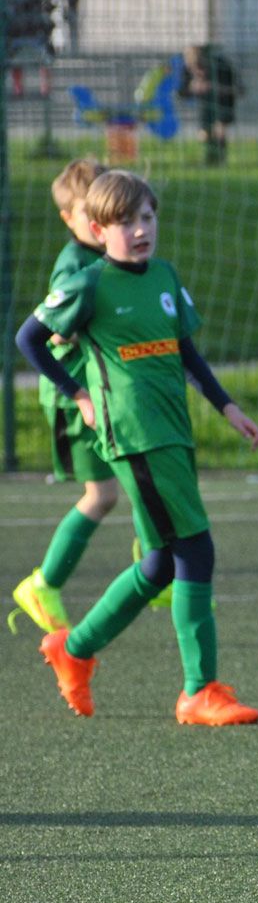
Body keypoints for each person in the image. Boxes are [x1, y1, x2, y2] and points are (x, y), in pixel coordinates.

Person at [14, 170, 258, 724]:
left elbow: (187, 354)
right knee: (195, 550)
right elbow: (29, 339)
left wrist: (228, 407)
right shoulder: (89, 283)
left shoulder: (166, 277)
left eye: (147, 217)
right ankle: (199, 691)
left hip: (173, 432)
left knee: (159, 564)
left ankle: (73, 649)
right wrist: (77, 393)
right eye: (126, 222)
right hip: (135, 437)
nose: (140, 229)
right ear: (99, 231)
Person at [10, 158, 123, 638]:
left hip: (101, 393)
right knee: (102, 494)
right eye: (86, 211)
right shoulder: (74, 268)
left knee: (138, 474)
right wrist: (75, 385)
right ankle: (44, 583)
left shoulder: (111, 258)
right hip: (74, 400)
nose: (99, 220)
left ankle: (157, 566)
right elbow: (47, 335)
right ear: (69, 218)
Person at [178, 44, 238, 166]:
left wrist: (213, 87)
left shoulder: (221, 67)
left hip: (223, 103)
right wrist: (193, 87)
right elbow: (182, 91)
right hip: (205, 106)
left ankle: (220, 160)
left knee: (219, 130)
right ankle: (210, 159)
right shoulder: (188, 69)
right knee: (204, 134)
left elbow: (236, 89)